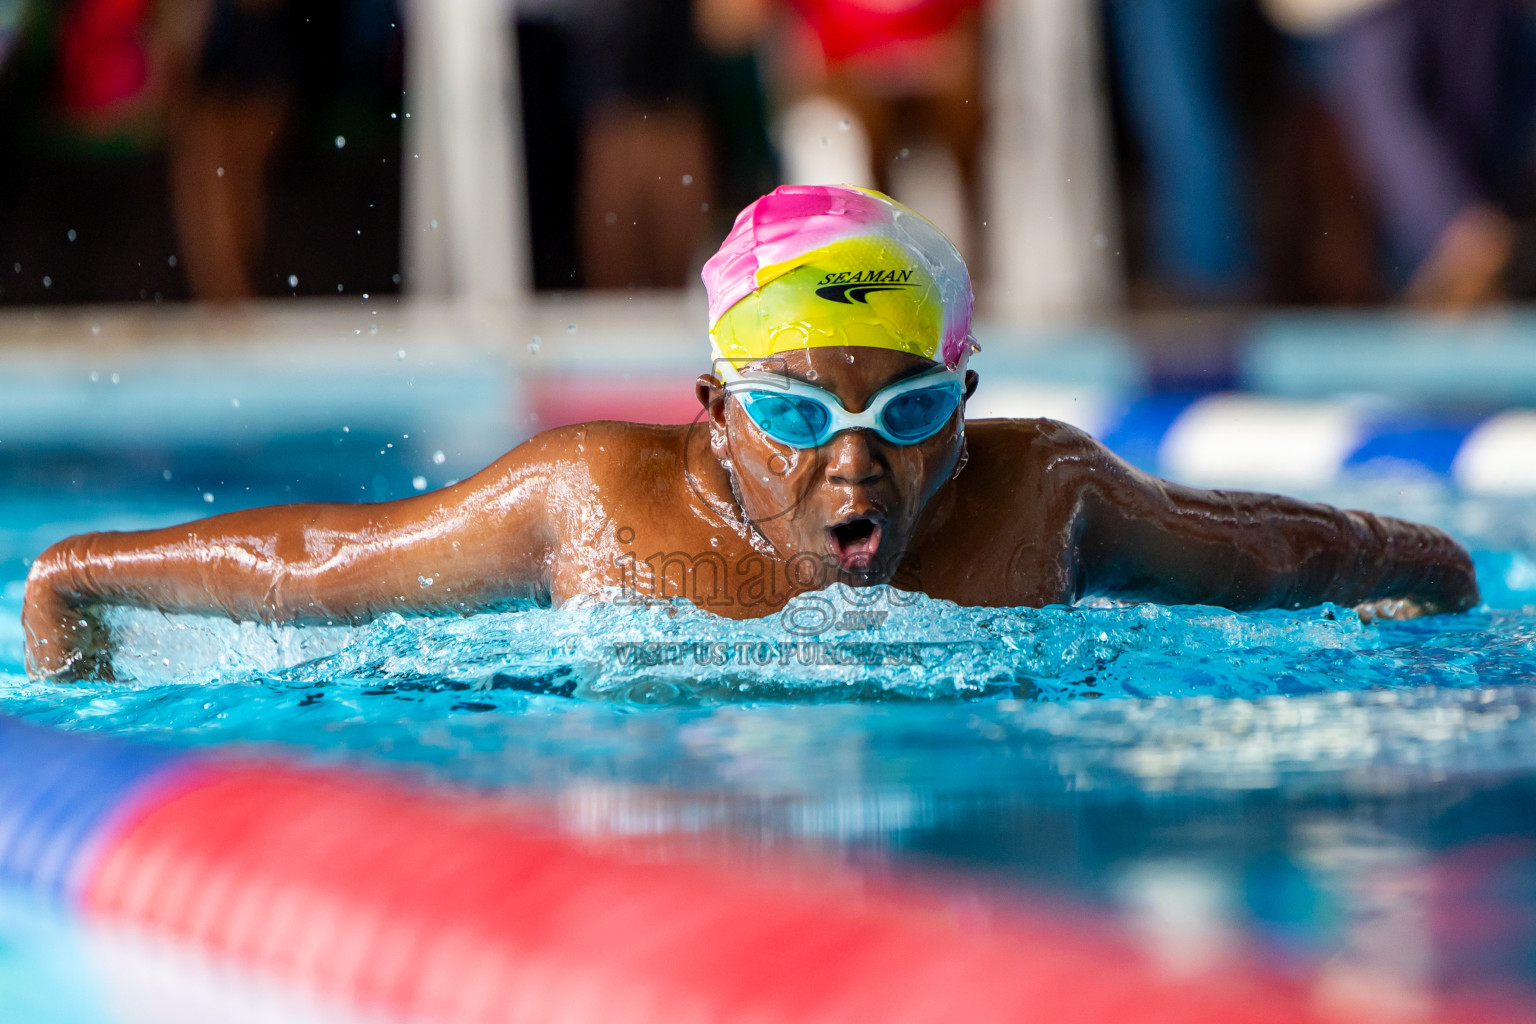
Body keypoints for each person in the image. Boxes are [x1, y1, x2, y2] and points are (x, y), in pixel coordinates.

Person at [22, 185, 1478, 680]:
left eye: (906, 414)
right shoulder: (590, 501)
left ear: (963, 414)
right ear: (715, 416)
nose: (856, 465)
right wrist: (82, 566)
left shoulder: (1043, 495)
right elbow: (333, 560)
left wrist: (1438, 576)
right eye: (796, 414)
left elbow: (1292, 553)